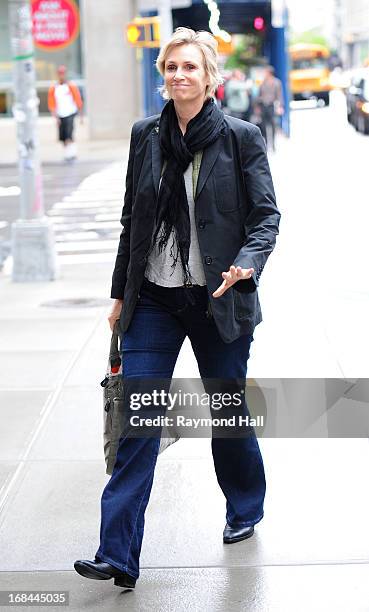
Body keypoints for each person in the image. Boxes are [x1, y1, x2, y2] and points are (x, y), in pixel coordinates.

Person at [74, 27, 280, 591]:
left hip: (217, 299)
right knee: (139, 421)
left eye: (191, 67)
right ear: (162, 75)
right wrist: (121, 293)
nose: (180, 76)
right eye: (171, 67)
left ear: (209, 77)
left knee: (227, 411)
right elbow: (131, 223)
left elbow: (266, 217)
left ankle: (244, 505)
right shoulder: (146, 137)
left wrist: (247, 263)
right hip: (156, 299)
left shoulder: (240, 137)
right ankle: (117, 553)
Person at [47, 65, 83, 162]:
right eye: (60, 73)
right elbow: (52, 104)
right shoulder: (54, 88)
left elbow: (78, 100)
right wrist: (55, 117)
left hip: (70, 113)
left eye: (63, 73)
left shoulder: (71, 86)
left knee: (69, 134)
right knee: (62, 136)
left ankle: (72, 153)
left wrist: (81, 115)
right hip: (60, 114)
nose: (61, 75)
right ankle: (67, 153)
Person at [257, 65, 284, 151]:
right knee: (263, 126)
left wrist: (280, 106)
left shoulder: (276, 82)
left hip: (272, 106)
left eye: (265, 72)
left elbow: (279, 96)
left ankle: (273, 145)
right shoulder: (263, 82)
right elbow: (259, 94)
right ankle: (266, 144)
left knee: (273, 125)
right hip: (263, 105)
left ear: (269, 73)